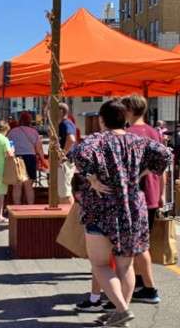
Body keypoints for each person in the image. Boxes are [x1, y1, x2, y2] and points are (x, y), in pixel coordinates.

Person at [69, 99, 172, 327]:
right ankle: (120, 314)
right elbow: (165, 155)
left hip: (101, 207)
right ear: (125, 119)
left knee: (100, 264)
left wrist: (92, 178)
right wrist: (141, 172)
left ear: (102, 119)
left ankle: (122, 310)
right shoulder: (138, 141)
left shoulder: (96, 140)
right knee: (125, 266)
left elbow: (76, 154)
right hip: (132, 207)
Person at [121, 95, 163, 304]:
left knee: (135, 245)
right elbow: (164, 164)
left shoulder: (128, 134)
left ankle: (147, 287)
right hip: (153, 192)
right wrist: (162, 193)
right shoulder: (155, 132)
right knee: (142, 243)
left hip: (134, 194)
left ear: (128, 110)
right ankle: (140, 283)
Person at [7, 111, 42, 205]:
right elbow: (39, 148)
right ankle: (30, 207)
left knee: (17, 186)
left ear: (20, 120)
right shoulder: (34, 132)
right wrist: (42, 159)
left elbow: (9, 146)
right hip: (30, 157)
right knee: (28, 186)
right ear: (30, 121)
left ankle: (17, 207)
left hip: (17, 157)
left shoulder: (12, 132)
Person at [58, 103, 77, 205]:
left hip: (65, 161)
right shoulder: (65, 124)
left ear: (61, 111)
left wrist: (62, 155)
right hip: (65, 161)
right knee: (62, 192)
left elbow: (71, 139)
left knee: (65, 192)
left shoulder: (65, 124)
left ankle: (71, 217)